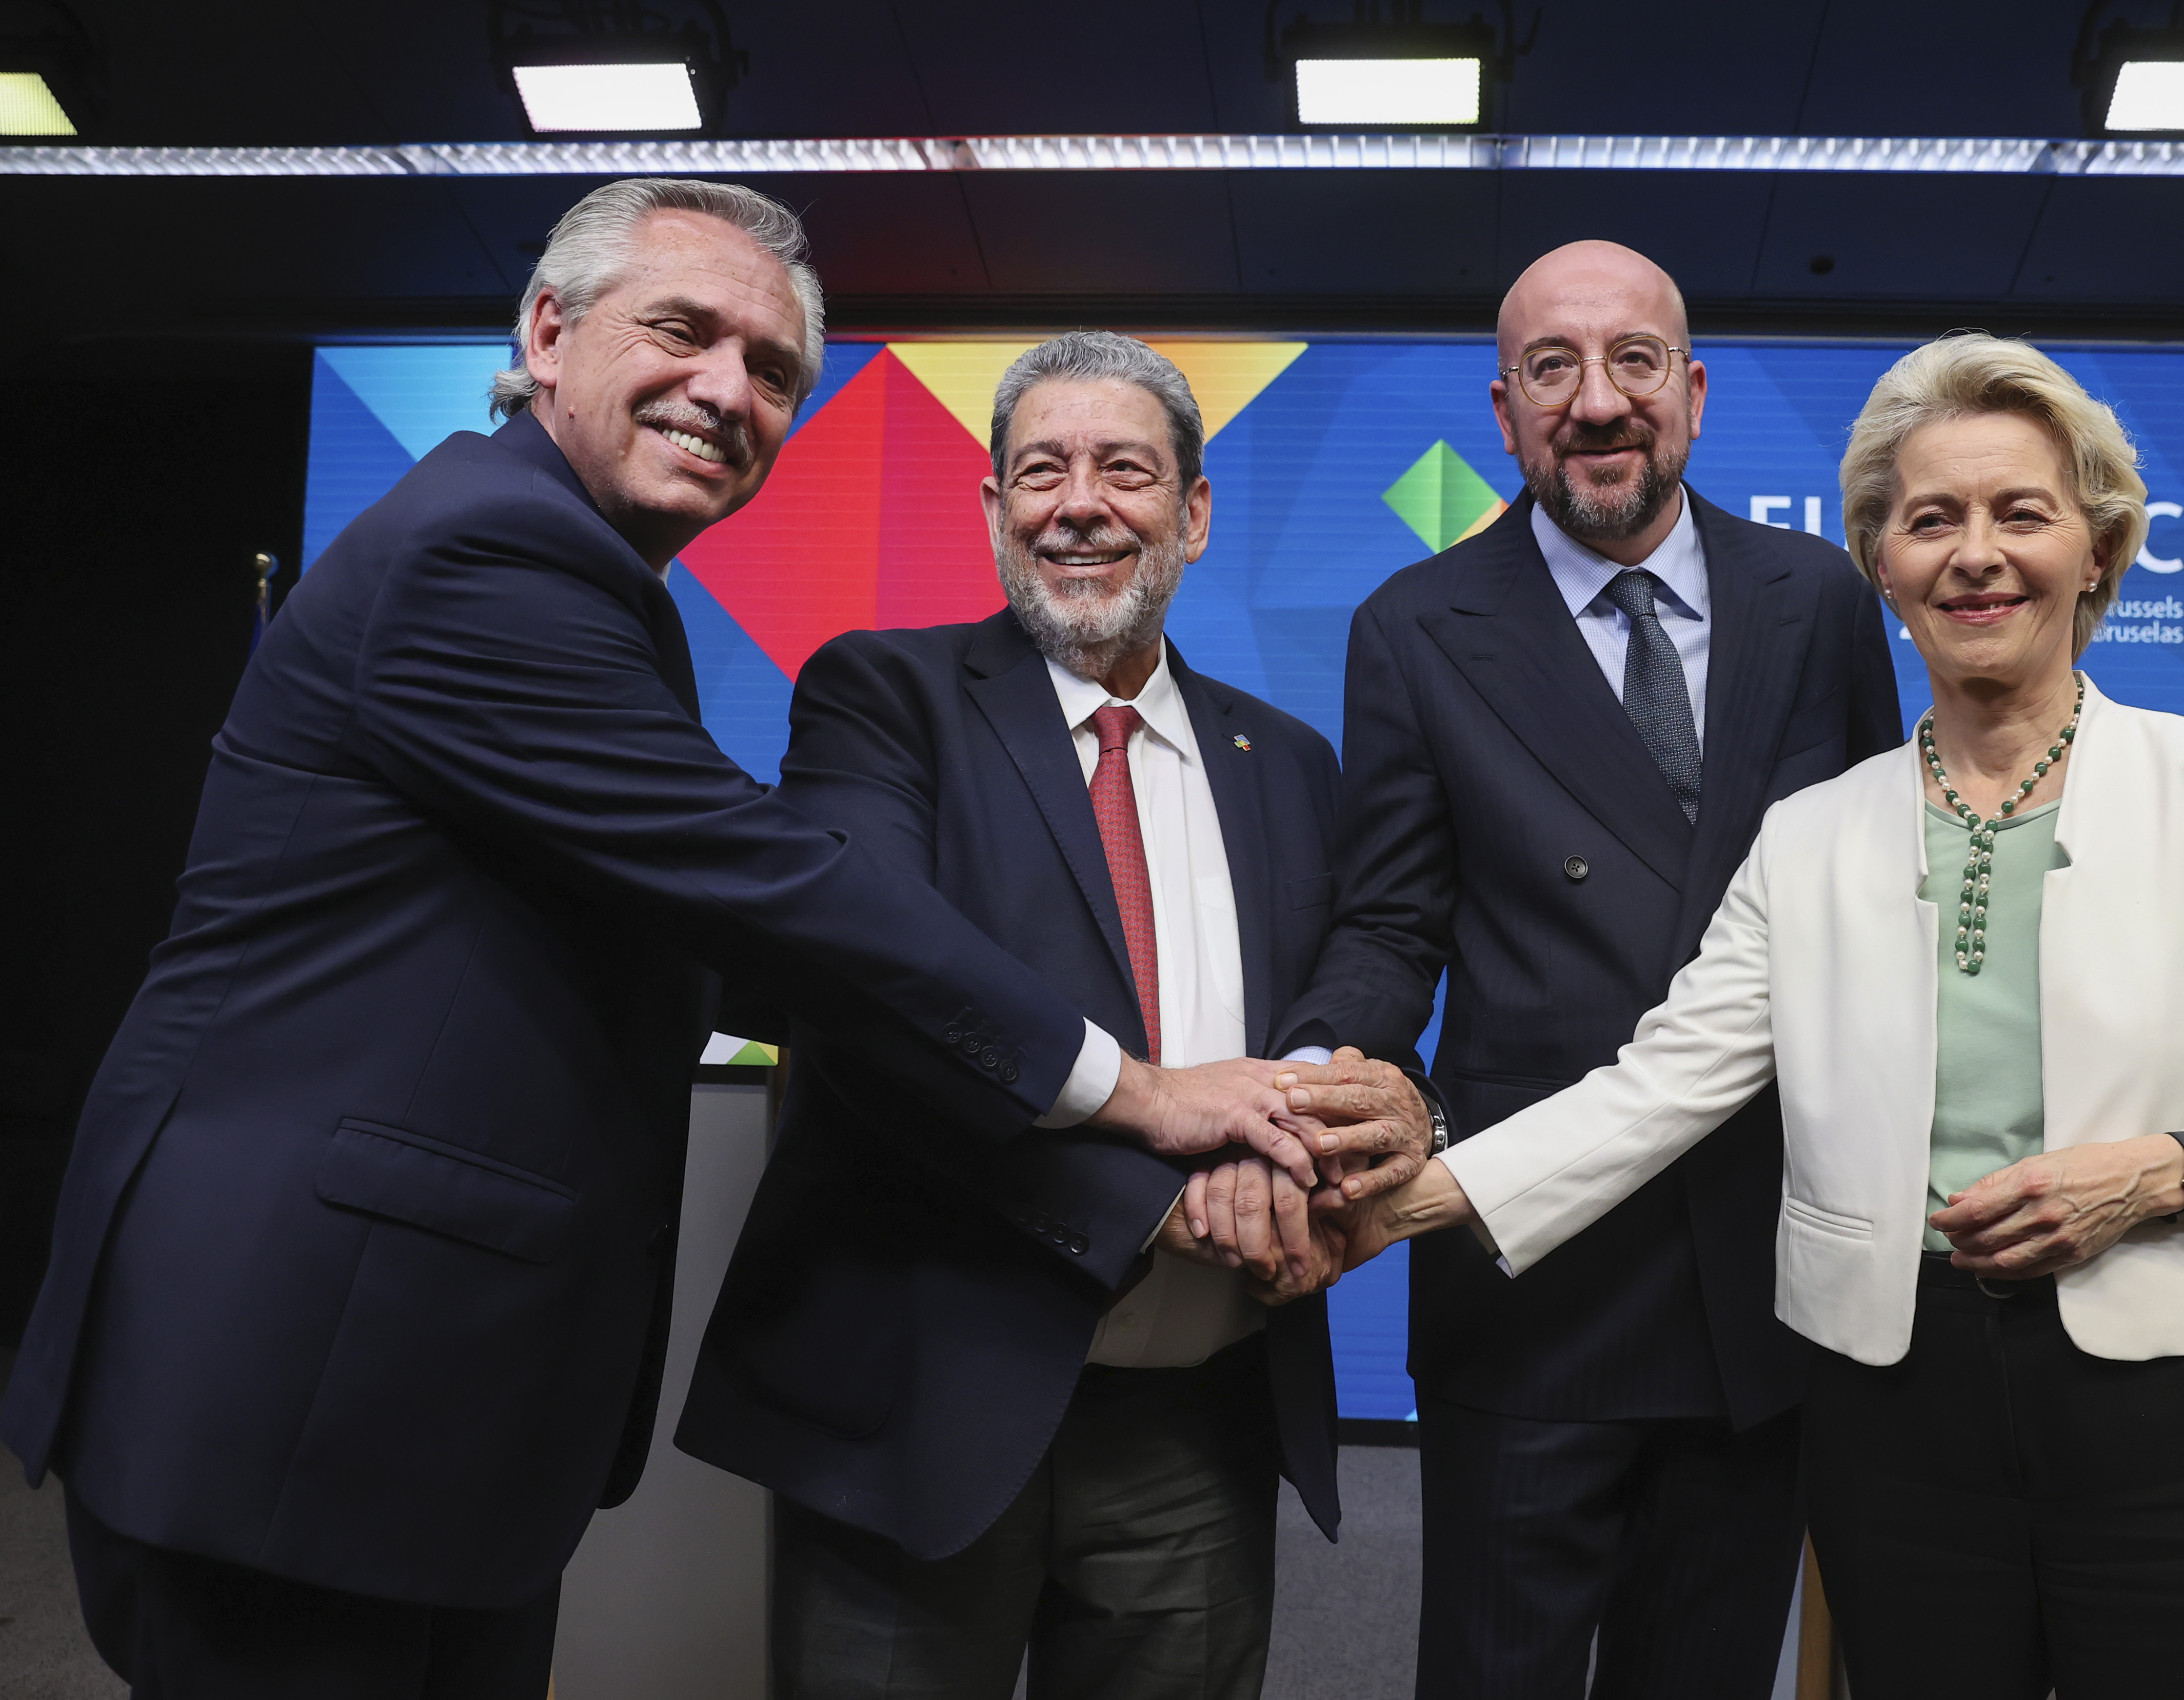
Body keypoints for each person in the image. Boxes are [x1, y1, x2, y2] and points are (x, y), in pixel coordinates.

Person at [0, 182, 1317, 1700]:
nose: (726, 390)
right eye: (682, 331)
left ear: (1195, 511)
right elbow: (772, 893)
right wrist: (1140, 1095)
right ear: (546, 335)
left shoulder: (583, 575)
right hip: (305, 1371)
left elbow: (726, 933)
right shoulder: (492, 551)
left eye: (772, 370)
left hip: (406, 1380)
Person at [1319, 333, 2184, 1700]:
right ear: (1881, 568)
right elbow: (1658, 1086)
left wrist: (2165, 1171)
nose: (1976, 555)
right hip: (1899, 1414)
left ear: (2099, 550)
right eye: (1931, 520)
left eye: (2022, 514)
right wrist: (1394, 1208)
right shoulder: (1811, 836)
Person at [679, 332, 1399, 1700]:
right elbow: (877, 1000)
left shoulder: (1292, 761)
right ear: (993, 508)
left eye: (1125, 471)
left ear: (1193, 511)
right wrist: (1164, 1198)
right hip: (921, 1401)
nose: (1079, 505)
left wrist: (1307, 1146)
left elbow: (1348, 984)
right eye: (1039, 473)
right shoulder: (881, 698)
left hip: (1198, 1421)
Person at [1269, 239, 1904, 1699]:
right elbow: (1390, 927)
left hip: (1763, 1261)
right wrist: (1319, 1078)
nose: (1598, 400)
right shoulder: (1415, 627)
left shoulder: (1818, 596)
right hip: (1534, 1275)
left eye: (1634, 361)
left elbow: (1886, 895)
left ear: (1695, 392)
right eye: (1552, 367)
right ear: (1504, 414)